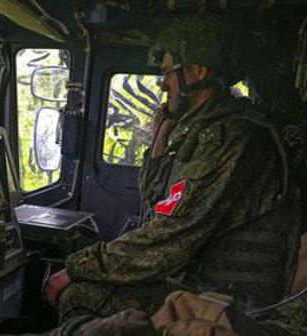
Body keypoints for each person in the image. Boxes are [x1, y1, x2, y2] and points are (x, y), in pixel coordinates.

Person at [45, 16, 303, 323]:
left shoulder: (233, 137)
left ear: (197, 71)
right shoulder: (200, 130)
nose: (163, 83)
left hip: (232, 299)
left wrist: (76, 266)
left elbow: (172, 235)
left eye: (168, 72)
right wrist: (161, 137)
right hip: (202, 281)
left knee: (80, 294)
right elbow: (156, 200)